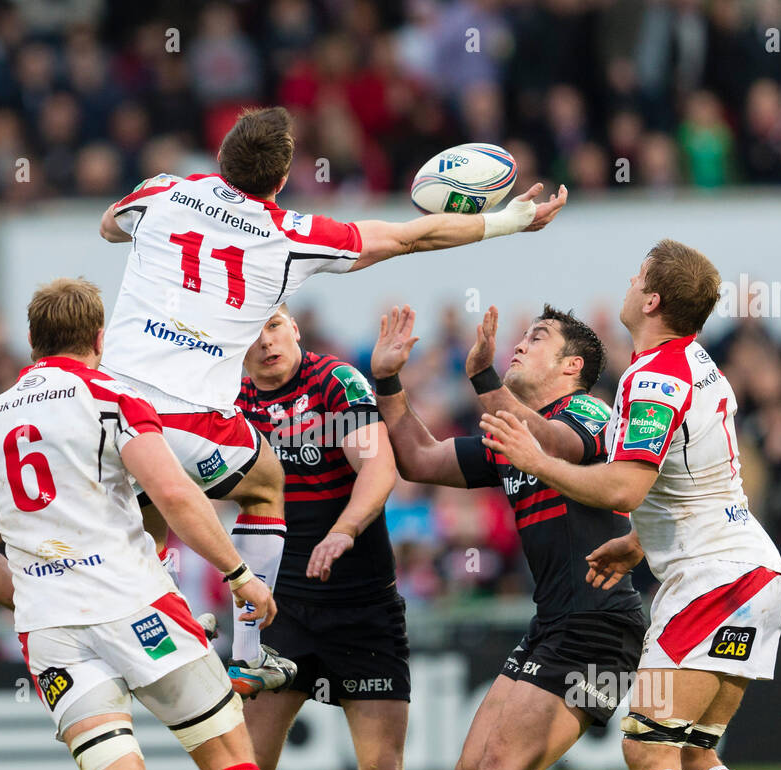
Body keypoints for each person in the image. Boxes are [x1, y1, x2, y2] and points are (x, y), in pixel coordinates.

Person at [98, 105, 567, 695]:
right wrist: (514, 219)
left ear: (221, 157)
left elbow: (109, 227)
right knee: (265, 482)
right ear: (281, 176)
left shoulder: (164, 191)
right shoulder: (291, 235)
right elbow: (409, 235)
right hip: (189, 415)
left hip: (107, 406)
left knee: (145, 510)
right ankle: (246, 654)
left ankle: (150, 622)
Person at [0, 277, 287, 770]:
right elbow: (176, 495)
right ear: (100, 338)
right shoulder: (112, 399)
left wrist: (40, 592)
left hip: (50, 630)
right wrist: (239, 574)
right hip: (137, 602)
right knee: (231, 756)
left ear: (32, 340)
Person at [479, 239, 781, 770]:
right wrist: (639, 541)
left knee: (648, 744)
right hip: (751, 577)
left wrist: (536, 460)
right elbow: (700, 477)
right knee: (694, 751)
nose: (627, 281)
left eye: (637, 275)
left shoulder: (654, 376)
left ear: (651, 298)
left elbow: (624, 484)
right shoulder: (696, 363)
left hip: (713, 582)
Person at [371, 302, 647, 770]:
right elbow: (419, 459)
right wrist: (388, 379)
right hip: (552, 625)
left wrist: (484, 379)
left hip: (600, 626)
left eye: (537, 337)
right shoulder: (512, 438)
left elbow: (555, 445)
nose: (519, 344)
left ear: (571, 366)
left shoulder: (591, 412)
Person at [236, 304, 412, 770]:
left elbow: (379, 468)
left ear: (294, 329)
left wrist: (343, 530)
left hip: (362, 606)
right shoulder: (231, 406)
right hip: (277, 612)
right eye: (252, 332)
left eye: (274, 326)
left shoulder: (335, 382)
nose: (266, 342)